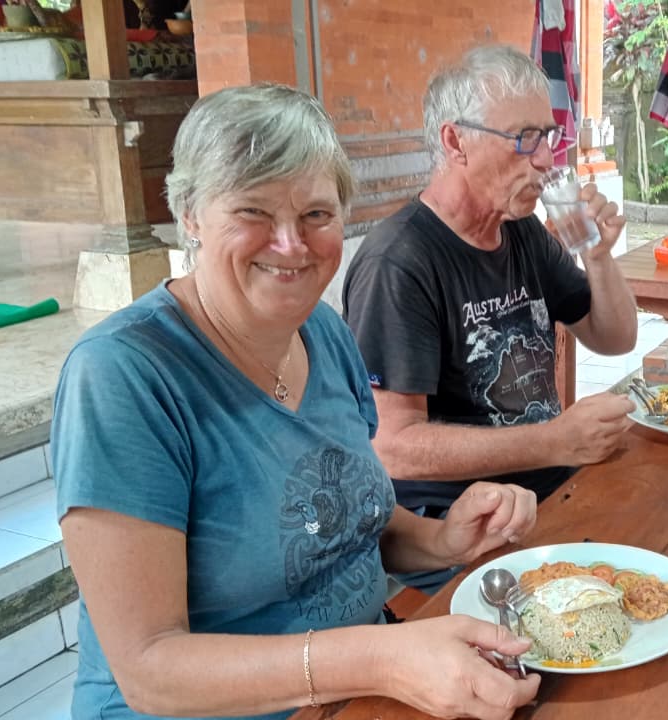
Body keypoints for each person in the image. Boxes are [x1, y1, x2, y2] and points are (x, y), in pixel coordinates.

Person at [52, 83, 540, 720]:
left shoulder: (323, 332)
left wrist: (444, 540)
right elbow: (149, 669)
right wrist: (379, 659)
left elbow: (349, 523)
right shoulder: (124, 376)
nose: (291, 244)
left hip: (355, 693)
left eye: (315, 214)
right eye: (252, 212)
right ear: (191, 215)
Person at [341, 44, 640, 592]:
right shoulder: (400, 263)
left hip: (553, 487)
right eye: (524, 138)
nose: (545, 159)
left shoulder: (520, 231)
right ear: (456, 142)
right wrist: (555, 440)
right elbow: (392, 446)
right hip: (467, 525)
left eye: (548, 136)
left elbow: (616, 337)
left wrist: (597, 256)